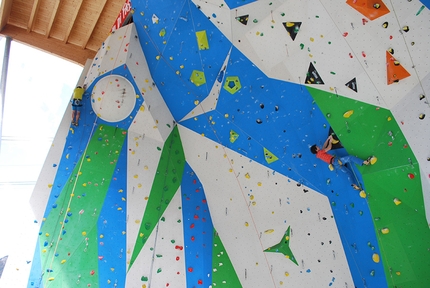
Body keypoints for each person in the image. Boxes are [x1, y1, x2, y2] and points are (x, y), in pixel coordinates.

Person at [310, 135, 374, 193]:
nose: (318, 146)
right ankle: (364, 162)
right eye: (317, 147)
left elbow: (324, 147)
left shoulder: (319, 155)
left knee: (348, 173)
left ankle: (353, 185)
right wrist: (330, 141)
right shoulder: (320, 152)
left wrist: (328, 139)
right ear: (316, 149)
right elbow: (329, 148)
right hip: (336, 161)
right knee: (350, 158)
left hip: (335, 165)